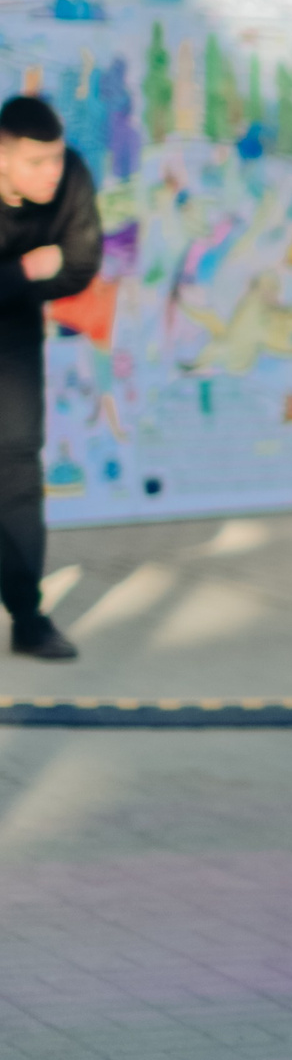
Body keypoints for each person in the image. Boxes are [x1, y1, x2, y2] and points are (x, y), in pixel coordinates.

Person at [0, 95, 99, 662]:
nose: (52, 174)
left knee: (15, 467)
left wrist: (10, 287)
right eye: (36, 163)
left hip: (11, 334)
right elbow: (49, 265)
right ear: (4, 158)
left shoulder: (72, 177)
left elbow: (82, 263)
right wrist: (26, 268)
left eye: (56, 159)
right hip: (15, 303)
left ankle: (27, 618)